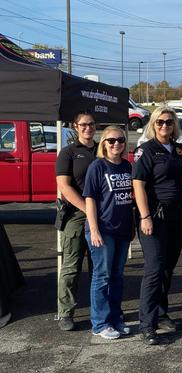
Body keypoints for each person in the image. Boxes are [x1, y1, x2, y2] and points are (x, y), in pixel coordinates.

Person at [132, 106, 182, 345]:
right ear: (153, 125)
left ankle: (161, 312)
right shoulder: (145, 150)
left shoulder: (179, 150)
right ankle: (146, 323)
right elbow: (138, 184)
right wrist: (145, 216)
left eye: (168, 122)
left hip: (177, 217)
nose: (164, 126)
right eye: (160, 122)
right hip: (154, 218)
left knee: (167, 268)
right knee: (154, 269)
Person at [83, 126, 133, 339]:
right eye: (111, 140)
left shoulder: (127, 166)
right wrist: (94, 229)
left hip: (123, 230)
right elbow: (90, 199)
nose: (116, 144)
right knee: (102, 277)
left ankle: (115, 318)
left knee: (117, 277)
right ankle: (100, 323)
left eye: (120, 140)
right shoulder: (97, 166)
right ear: (103, 143)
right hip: (103, 230)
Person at [56, 111, 97, 331]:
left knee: (98, 267)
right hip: (77, 216)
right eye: (83, 125)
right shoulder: (68, 153)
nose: (87, 128)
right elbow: (65, 187)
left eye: (91, 124)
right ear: (75, 126)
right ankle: (65, 313)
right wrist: (87, 209)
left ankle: (99, 310)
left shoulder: (103, 149)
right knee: (71, 267)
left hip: (101, 216)